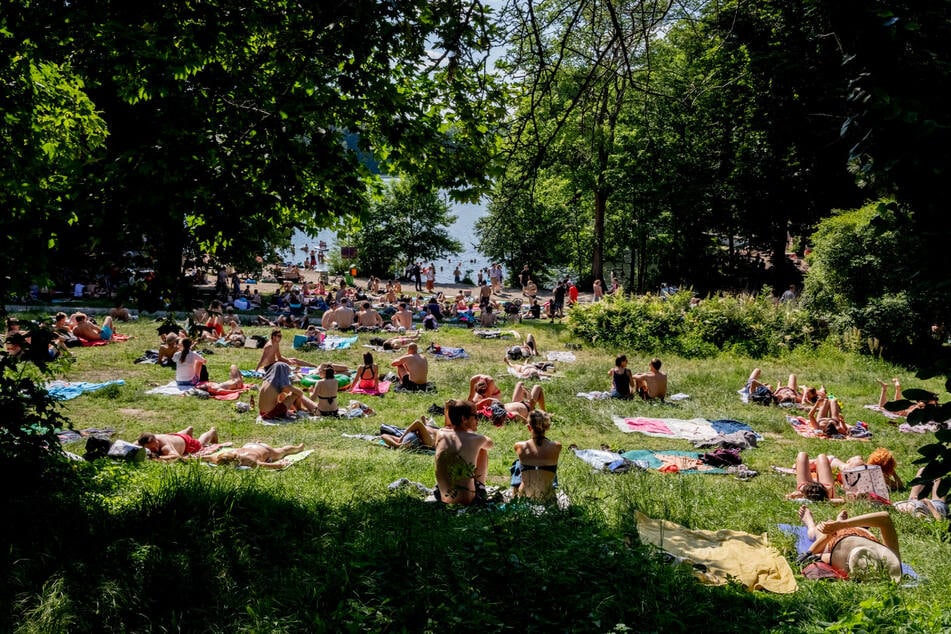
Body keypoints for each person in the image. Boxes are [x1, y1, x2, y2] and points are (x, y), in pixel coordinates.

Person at [797, 506, 902, 582]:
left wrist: (829, 535)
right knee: (830, 527)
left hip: (835, 540)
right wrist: (841, 524)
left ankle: (810, 524)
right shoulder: (891, 561)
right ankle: (839, 521)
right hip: (858, 530)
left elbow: (810, 554)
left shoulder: (834, 557)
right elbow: (884, 518)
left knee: (817, 531)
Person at [434, 400, 494, 505]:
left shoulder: (440, 433)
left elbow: (448, 426)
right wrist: (471, 432)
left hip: (442, 497)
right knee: (482, 449)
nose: (477, 420)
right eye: (475, 416)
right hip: (467, 500)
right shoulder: (477, 439)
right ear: (463, 419)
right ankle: (481, 487)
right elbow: (490, 444)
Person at [512, 410, 562, 501]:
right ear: (547, 427)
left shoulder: (519, 446)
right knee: (550, 465)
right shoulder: (556, 446)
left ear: (529, 427)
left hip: (526, 497)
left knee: (517, 463)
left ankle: (515, 497)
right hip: (547, 498)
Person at [829, 448, 904, 492]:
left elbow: (849, 461)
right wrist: (893, 472)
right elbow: (900, 486)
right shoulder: (880, 477)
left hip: (831, 461)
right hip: (830, 467)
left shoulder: (859, 460)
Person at [137, 426, 219, 461]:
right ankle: (187, 431)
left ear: (156, 440)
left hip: (187, 443)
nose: (154, 449)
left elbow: (176, 456)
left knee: (201, 443)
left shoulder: (165, 447)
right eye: (151, 448)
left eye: (155, 446)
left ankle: (212, 432)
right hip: (175, 436)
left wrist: (158, 458)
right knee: (178, 436)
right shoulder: (144, 440)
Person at [203, 442, 308, 469]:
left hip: (266, 449)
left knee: (283, 451)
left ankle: (299, 448)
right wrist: (187, 459)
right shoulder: (225, 456)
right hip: (250, 445)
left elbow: (273, 466)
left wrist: (282, 463)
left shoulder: (250, 462)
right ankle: (298, 447)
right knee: (283, 450)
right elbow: (206, 457)